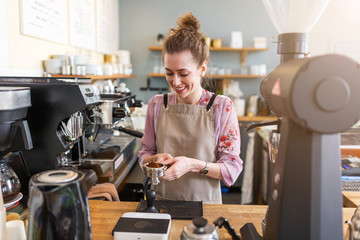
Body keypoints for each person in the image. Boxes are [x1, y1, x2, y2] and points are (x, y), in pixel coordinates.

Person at [138, 12, 243, 204]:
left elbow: (231, 169)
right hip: (161, 203)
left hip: (206, 207)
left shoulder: (222, 107)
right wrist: (153, 159)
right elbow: (144, 155)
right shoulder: (157, 104)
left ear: (202, 69)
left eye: (183, 73)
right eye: (169, 73)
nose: (175, 82)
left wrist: (192, 165)